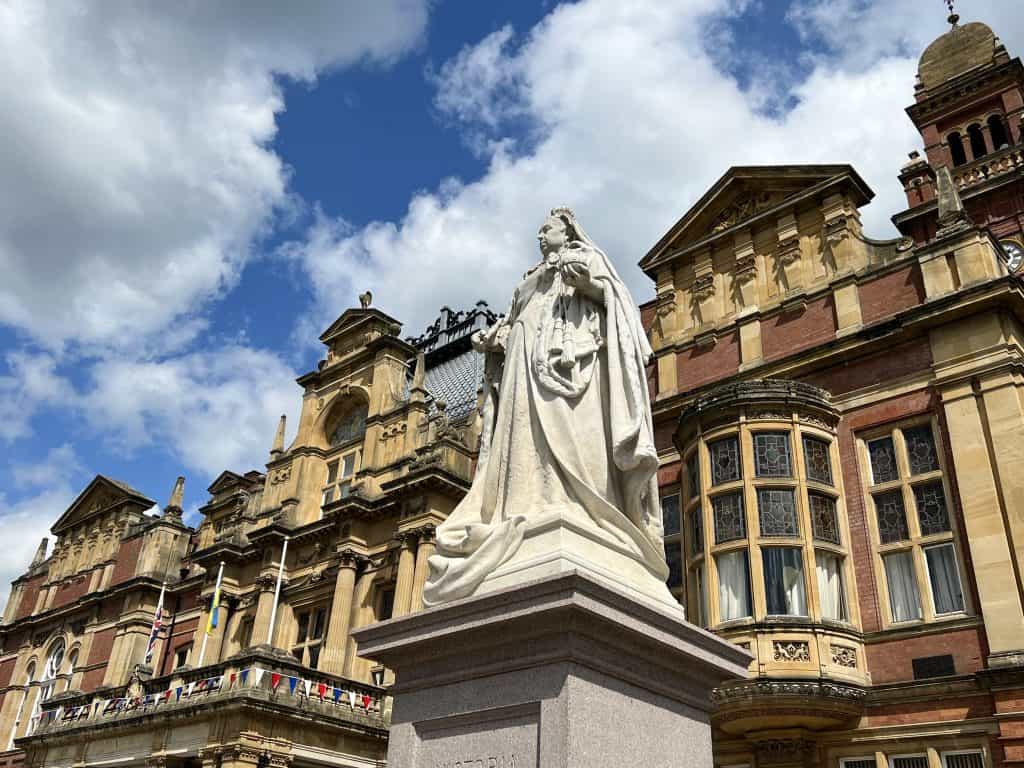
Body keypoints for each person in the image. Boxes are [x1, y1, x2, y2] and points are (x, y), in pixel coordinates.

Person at [422, 207, 668, 606]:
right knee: (524, 437)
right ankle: (529, 501)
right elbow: (514, 315)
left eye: (547, 229)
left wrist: (590, 287)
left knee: (572, 433)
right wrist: (497, 339)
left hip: (572, 367)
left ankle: (581, 507)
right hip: (524, 362)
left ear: (566, 230)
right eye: (538, 231)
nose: (540, 235)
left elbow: (619, 305)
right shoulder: (527, 279)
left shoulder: (587, 258)